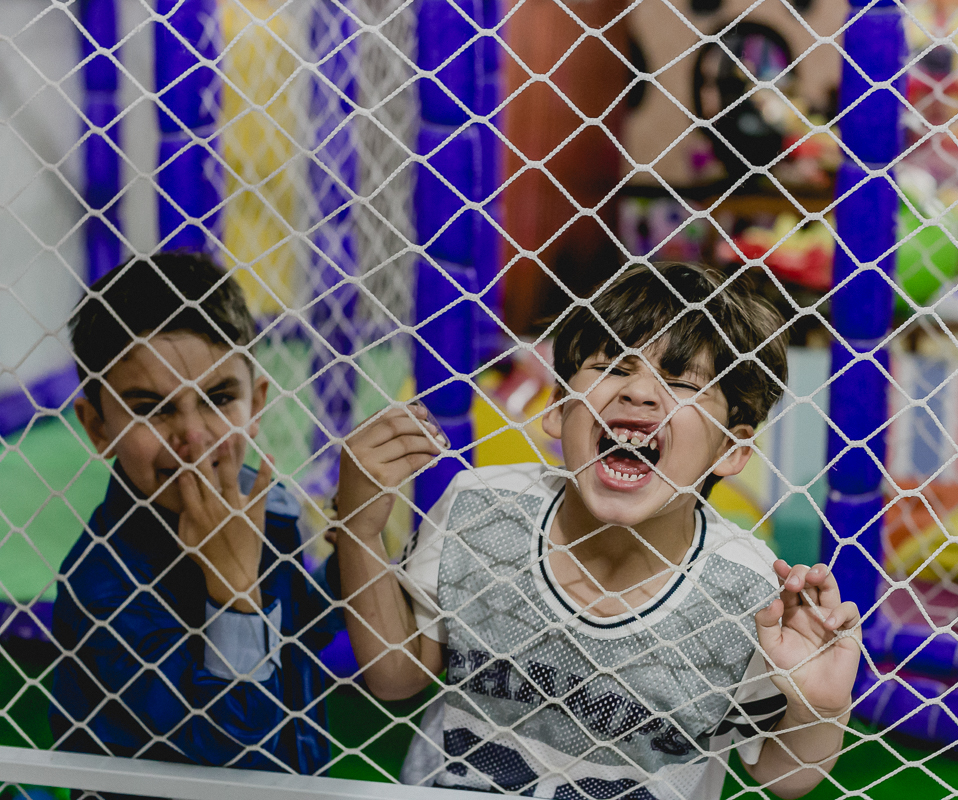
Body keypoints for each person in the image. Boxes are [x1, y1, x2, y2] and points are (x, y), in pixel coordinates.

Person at [336, 262, 861, 799]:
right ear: (560, 410)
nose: (639, 393)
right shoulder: (481, 509)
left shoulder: (747, 593)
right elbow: (395, 676)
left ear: (731, 449)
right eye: (613, 367)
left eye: (680, 382)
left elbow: (783, 776)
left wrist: (819, 708)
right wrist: (359, 524)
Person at [51, 252, 339, 775]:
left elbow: (300, 634)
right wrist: (232, 590)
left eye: (219, 397)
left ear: (257, 402)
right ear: (97, 427)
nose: (193, 437)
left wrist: (357, 540)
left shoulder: (264, 501)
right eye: (149, 407)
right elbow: (233, 751)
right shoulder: (101, 587)